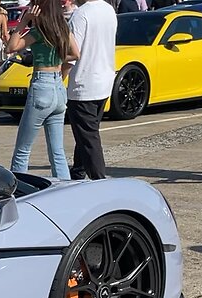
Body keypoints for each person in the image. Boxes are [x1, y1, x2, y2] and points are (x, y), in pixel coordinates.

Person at [6, 0, 79, 178]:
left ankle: (17, 193)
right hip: (58, 88)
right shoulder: (63, 29)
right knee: (57, 152)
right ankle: (65, 192)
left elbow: (11, 47)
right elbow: (76, 54)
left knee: (22, 150)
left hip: (41, 86)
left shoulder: (37, 33)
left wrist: (24, 21)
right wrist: (59, 59)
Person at [67, 0, 117, 179]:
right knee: (87, 133)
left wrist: (58, 77)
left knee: (89, 138)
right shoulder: (108, 9)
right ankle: (78, 172)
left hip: (84, 83)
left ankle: (99, 178)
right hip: (104, 79)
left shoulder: (81, 14)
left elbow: (72, 53)